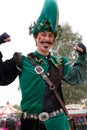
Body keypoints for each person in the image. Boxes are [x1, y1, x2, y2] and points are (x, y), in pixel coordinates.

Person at [0, 0, 87, 130]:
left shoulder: (60, 62)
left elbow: (76, 78)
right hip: (30, 125)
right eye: (43, 35)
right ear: (36, 37)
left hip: (57, 125)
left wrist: (82, 56)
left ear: (54, 39)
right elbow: (1, 77)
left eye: (51, 35)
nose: (47, 39)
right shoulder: (21, 61)